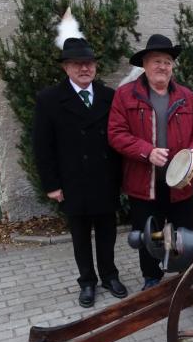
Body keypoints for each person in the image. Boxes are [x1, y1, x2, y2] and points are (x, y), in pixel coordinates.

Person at [32, 21, 128, 308]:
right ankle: (87, 281)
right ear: (66, 68)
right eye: (77, 64)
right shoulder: (49, 99)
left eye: (88, 63)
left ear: (95, 66)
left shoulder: (110, 97)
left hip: (105, 179)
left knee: (108, 233)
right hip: (73, 181)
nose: (84, 69)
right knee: (81, 237)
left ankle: (110, 275)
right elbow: (42, 146)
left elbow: (119, 139)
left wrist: (122, 179)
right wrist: (52, 185)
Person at [108, 34, 193, 291]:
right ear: (144, 64)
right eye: (156, 61)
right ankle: (151, 279)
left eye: (167, 61)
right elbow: (116, 135)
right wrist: (147, 151)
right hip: (144, 183)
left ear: (172, 66)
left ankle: (184, 279)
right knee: (148, 234)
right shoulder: (125, 96)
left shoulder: (187, 96)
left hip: (180, 184)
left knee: (183, 235)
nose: (162, 66)